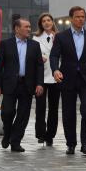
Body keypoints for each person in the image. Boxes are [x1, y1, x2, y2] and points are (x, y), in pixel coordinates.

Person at [50, 6, 86, 155]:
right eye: (78, 17)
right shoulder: (61, 37)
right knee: (68, 112)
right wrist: (55, 69)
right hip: (67, 79)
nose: (81, 19)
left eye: (83, 17)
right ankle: (71, 144)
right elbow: (54, 56)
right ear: (71, 18)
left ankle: (85, 143)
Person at [0, 18, 44, 152]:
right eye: (26, 27)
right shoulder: (5, 44)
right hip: (9, 84)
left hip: (27, 85)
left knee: (23, 115)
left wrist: (39, 84)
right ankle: (7, 133)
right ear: (17, 29)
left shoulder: (34, 45)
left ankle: (15, 142)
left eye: (29, 27)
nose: (29, 29)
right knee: (7, 112)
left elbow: (39, 66)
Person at [33, 13, 60, 146]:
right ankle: (41, 134)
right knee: (40, 107)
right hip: (41, 77)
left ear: (52, 22)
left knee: (54, 108)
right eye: (43, 21)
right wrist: (38, 58)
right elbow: (31, 56)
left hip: (56, 77)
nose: (46, 23)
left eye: (49, 20)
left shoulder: (60, 37)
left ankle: (50, 135)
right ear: (41, 24)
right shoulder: (36, 38)